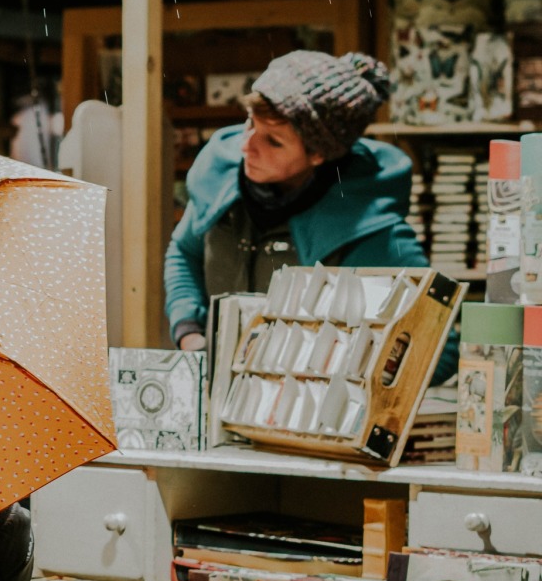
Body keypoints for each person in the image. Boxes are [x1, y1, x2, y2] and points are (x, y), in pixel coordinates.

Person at [164, 49, 457, 383]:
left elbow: (440, 348)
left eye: (274, 141)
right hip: (215, 394)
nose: (247, 146)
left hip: (304, 406)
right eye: (250, 123)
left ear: (318, 154)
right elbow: (183, 252)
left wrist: (340, 375)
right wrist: (189, 331)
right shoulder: (220, 180)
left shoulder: (366, 223)